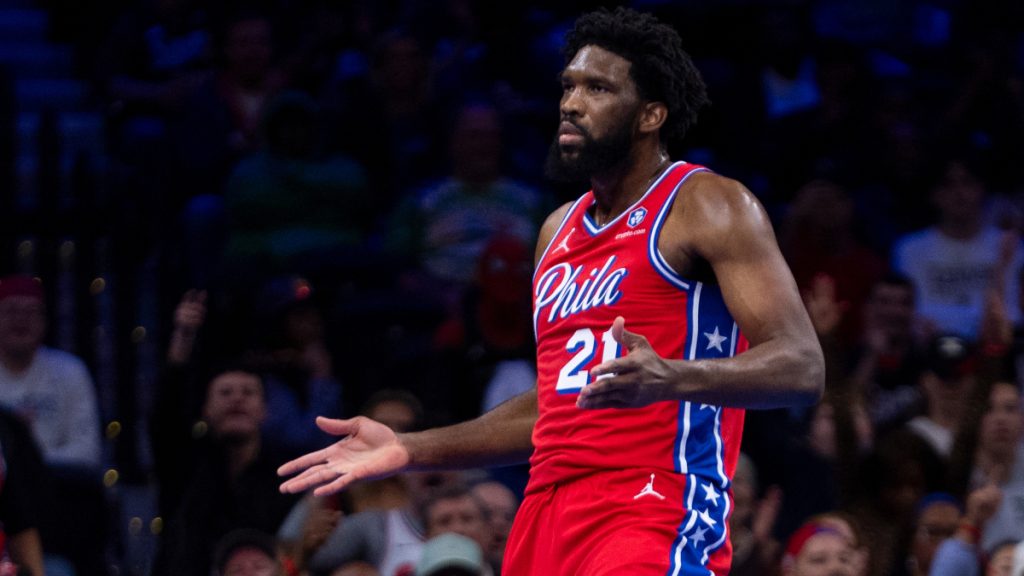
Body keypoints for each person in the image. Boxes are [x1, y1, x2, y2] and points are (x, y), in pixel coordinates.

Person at [280, 7, 824, 574]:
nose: (570, 103)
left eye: (597, 88)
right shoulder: (556, 231)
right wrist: (409, 448)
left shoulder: (707, 203)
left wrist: (673, 376)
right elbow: (554, 405)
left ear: (651, 114)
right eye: (568, 86)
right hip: (545, 511)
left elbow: (803, 366)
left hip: (651, 502)